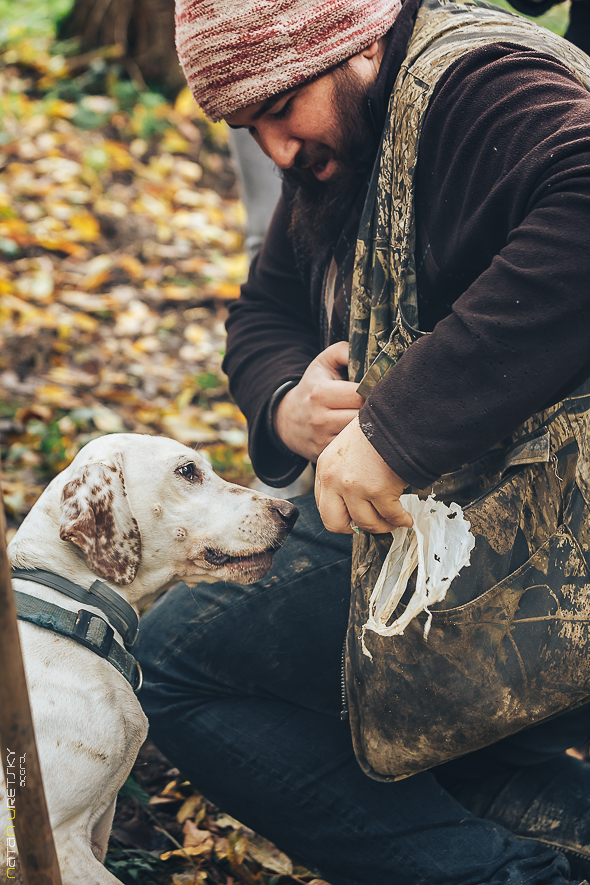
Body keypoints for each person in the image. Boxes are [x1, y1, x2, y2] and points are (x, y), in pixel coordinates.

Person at [135, 0, 590, 882]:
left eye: (279, 108)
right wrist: (283, 403)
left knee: (178, 665)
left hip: (555, 538)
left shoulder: (478, 86)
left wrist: (397, 427)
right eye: (246, 126)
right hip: (460, 522)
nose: (274, 150)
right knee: (426, 748)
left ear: (361, 45)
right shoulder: (342, 144)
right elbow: (260, 313)